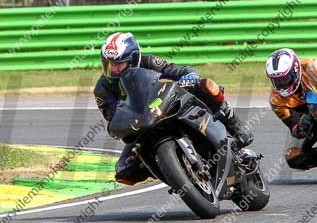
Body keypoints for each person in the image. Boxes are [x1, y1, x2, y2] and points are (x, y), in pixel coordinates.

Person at [94, 32, 253, 185]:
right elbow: (114, 116)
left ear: (133, 59)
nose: (114, 69)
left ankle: (235, 125)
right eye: (110, 64)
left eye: (118, 64)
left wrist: (188, 76)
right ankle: (169, 170)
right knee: (124, 171)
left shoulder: (148, 62)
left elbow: (176, 70)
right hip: (141, 123)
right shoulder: (102, 89)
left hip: (165, 103)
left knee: (206, 86)